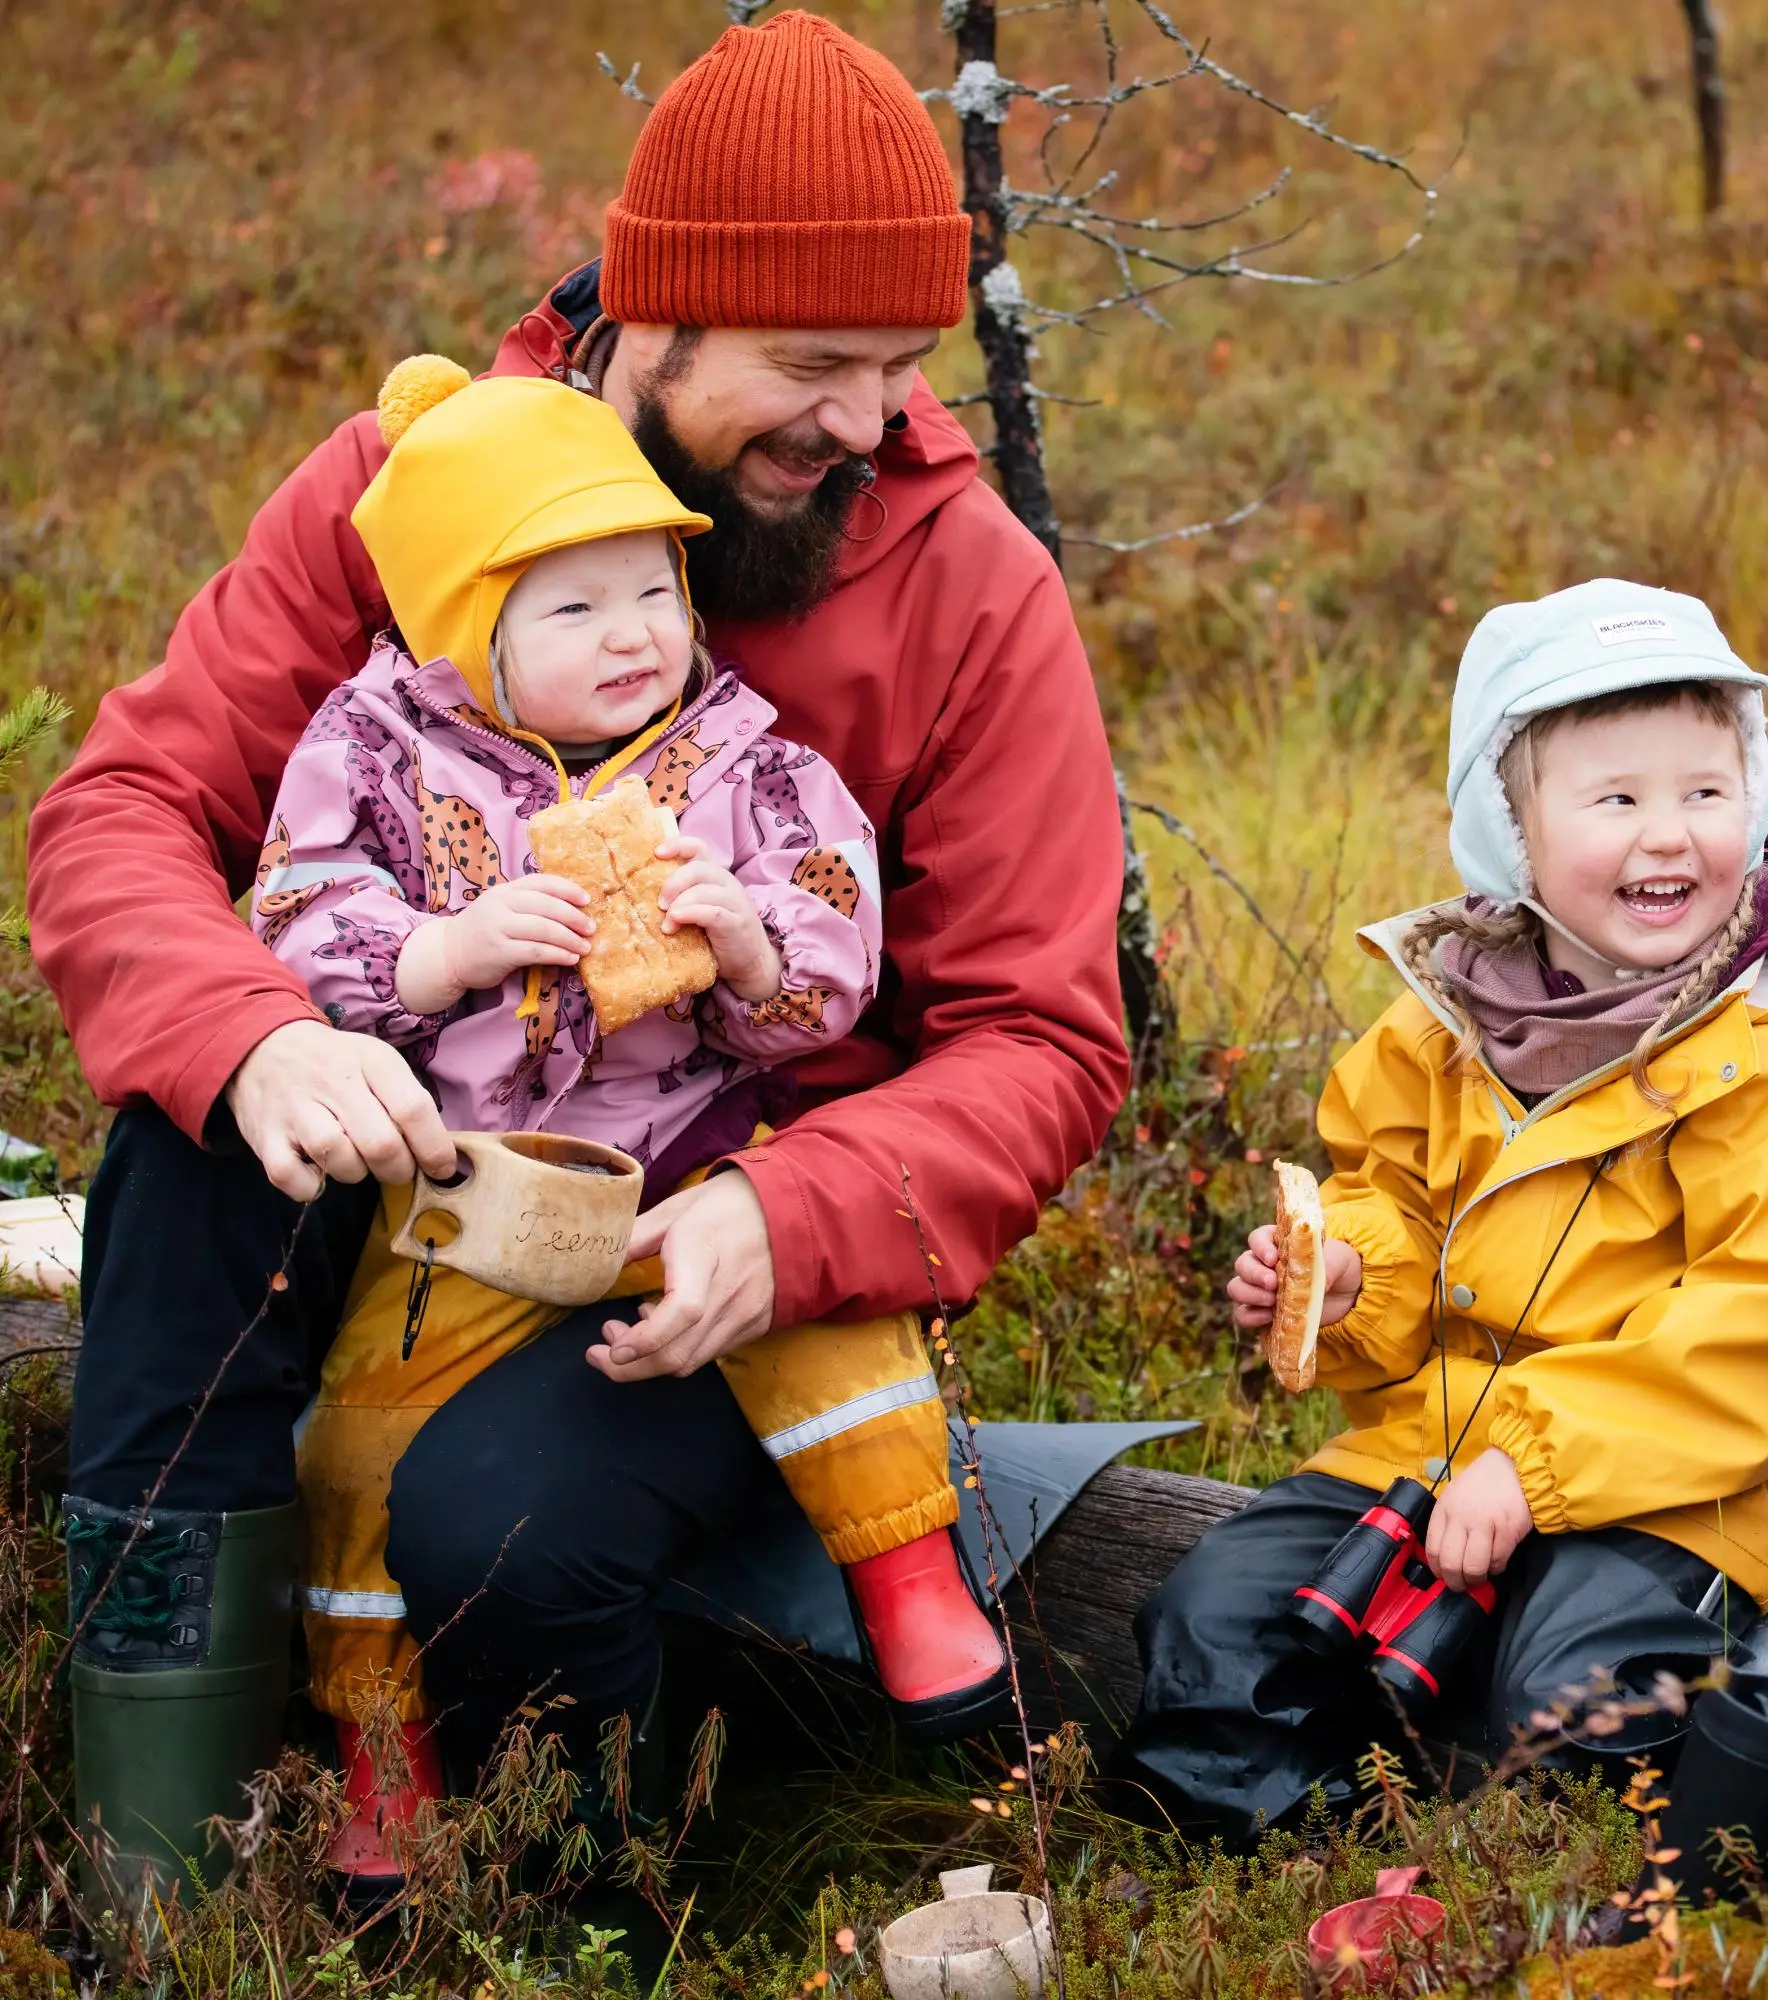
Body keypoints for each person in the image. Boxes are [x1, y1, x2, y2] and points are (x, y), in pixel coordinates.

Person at [36, 10, 1127, 1908]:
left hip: (707, 1223)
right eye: (810, 366)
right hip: (415, 1149)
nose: (865, 427)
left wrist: (805, 1214)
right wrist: (253, 1037)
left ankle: (576, 1915)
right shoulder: (422, 483)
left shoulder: (962, 582)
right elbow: (124, 807)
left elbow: (1041, 1032)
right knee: (180, 1156)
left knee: (495, 1530)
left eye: (899, 370)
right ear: (654, 314)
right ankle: (169, 1885)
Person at [263, 356, 1022, 1897]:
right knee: (352, 1443)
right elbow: (298, 912)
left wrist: (746, 947)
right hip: (472, 1202)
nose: (635, 638)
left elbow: (831, 958)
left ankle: (907, 1574)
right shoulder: (377, 750)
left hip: (691, 1164)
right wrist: (443, 952)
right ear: (462, 629)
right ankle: (382, 1753)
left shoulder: (742, 760)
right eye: (573, 608)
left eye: (654, 594)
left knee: (826, 1311)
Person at [1120, 579, 1768, 1844]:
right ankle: (1286, 1864)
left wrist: (1536, 1459)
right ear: (1509, 825)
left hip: (1680, 1489)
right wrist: (1350, 1273)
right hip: (1433, 1448)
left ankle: (1615, 1894)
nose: (1668, 837)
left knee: (1575, 1691)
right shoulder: (1442, 1027)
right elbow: (1385, 1192)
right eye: (1614, 799)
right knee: (1216, 1618)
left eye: (1705, 792)